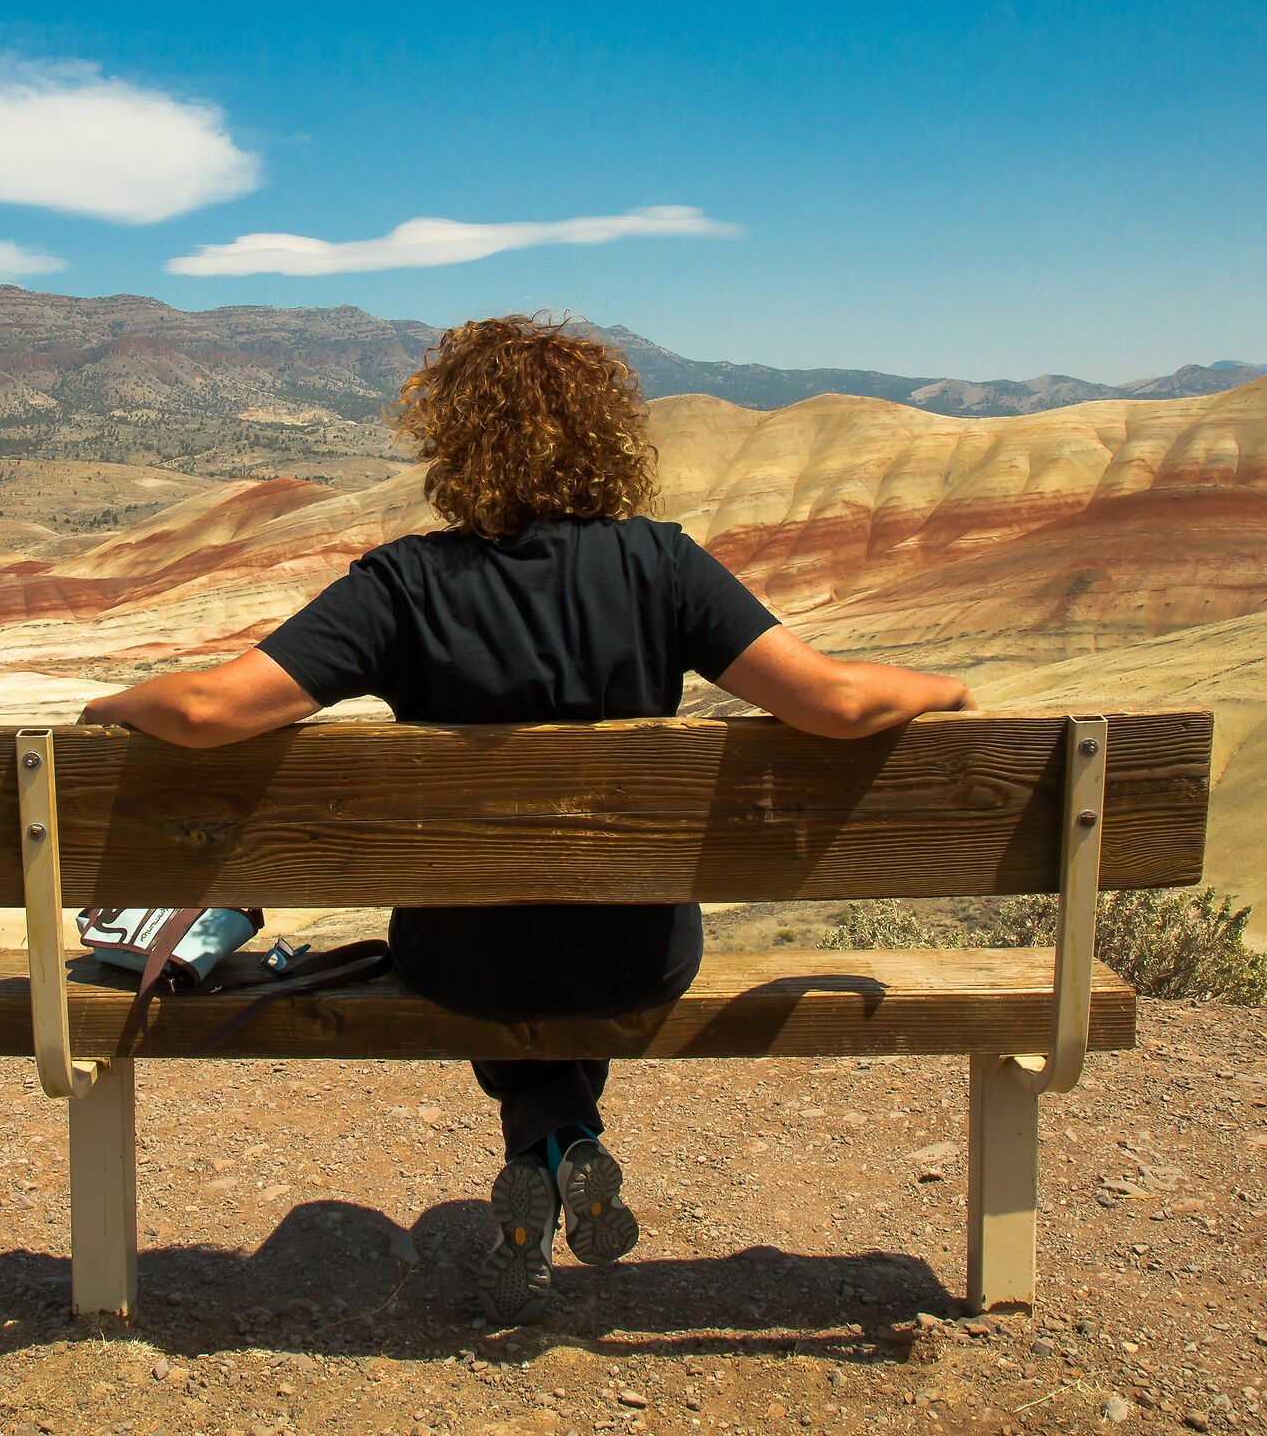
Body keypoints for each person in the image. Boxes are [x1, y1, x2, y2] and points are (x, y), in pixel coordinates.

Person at [78, 315, 975, 1324]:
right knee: (578, 939)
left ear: (456, 441)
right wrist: (946, 690)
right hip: (639, 955)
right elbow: (836, 703)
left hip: (465, 962)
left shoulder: (403, 584)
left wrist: (115, 705)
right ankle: (562, 1139)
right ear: (604, 436)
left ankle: (551, 1139)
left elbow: (210, 710)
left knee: (496, 946)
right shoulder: (663, 567)